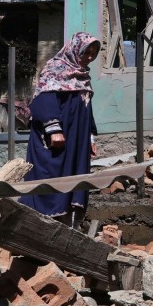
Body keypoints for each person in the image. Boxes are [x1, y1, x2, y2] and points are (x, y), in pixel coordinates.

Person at [19, 32, 101, 227]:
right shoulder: (54, 70)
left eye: (93, 53)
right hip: (55, 139)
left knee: (75, 176)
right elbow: (42, 101)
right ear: (75, 50)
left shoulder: (83, 77)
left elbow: (85, 110)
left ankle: (69, 224)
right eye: (85, 52)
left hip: (76, 141)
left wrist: (90, 138)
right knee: (52, 177)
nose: (89, 57)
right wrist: (53, 128)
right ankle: (40, 225)